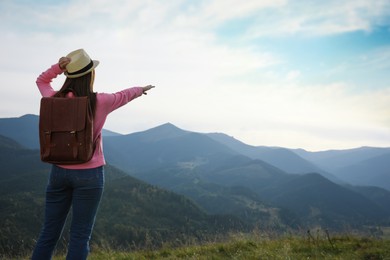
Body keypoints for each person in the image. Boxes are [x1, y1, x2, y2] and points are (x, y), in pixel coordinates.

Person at [31, 49, 155, 260]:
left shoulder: (53, 99)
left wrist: (58, 68)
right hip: (90, 174)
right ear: (90, 75)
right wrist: (140, 89)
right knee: (80, 235)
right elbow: (124, 96)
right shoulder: (100, 101)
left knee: (48, 233)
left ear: (69, 75)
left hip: (59, 171)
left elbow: (41, 81)